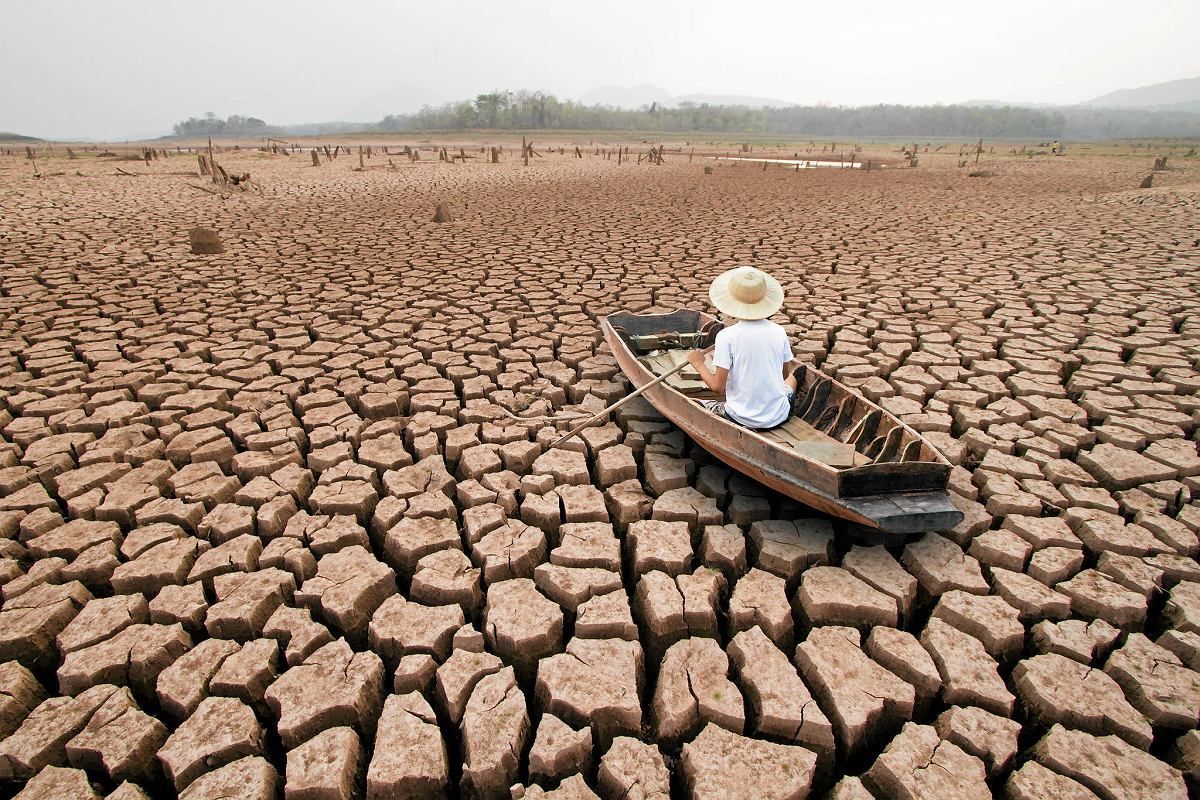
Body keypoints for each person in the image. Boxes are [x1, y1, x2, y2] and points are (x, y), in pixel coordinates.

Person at [687, 266, 799, 430]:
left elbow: (718, 388)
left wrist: (698, 364)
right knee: (792, 379)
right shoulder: (779, 331)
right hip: (778, 416)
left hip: (739, 418)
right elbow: (784, 375)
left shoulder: (727, 336)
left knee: (697, 404)